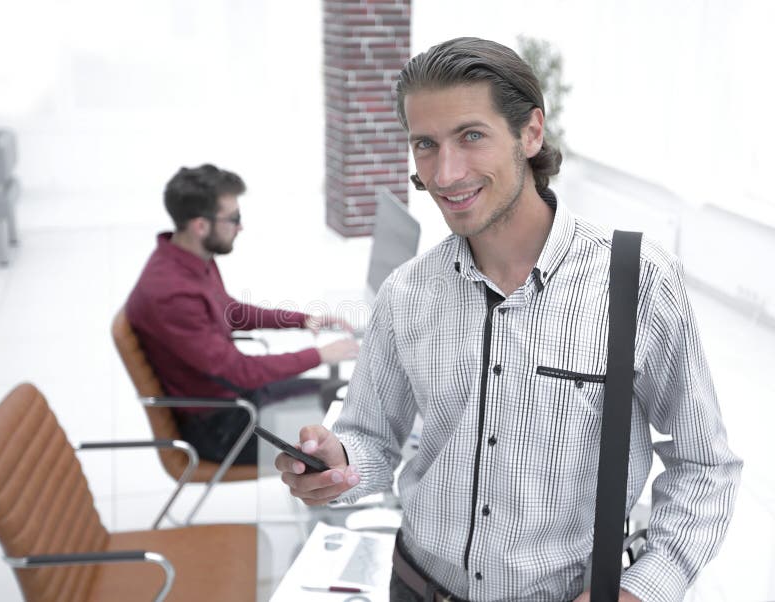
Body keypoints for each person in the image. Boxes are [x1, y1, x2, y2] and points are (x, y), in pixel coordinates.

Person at [275, 37, 741, 602]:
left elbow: (704, 466)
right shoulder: (406, 293)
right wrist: (337, 467)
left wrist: (643, 588)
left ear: (531, 133)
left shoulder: (637, 280)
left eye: (471, 136)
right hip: (417, 586)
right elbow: (371, 438)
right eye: (426, 144)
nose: (444, 174)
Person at [126, 164, 359, 466]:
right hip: (223, 426)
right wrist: (318, 355)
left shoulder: (188, 258)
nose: (240, 226)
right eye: (234, 218)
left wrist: (301, 320)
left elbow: (232, 312)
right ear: (200, 225)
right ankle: (340, 498)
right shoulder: (172, 294)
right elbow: (239, 371)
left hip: (237, 399)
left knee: (349, 399)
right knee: (355, 427)